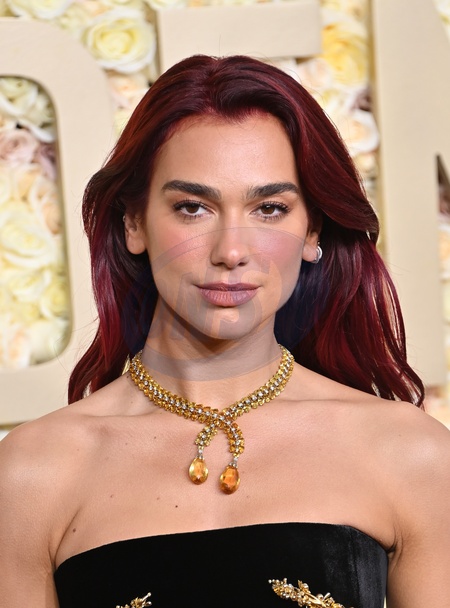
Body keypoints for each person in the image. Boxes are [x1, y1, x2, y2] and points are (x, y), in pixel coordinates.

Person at [0, 54, 449, 608]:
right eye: (193, 207)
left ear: (313, 230)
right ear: (133, 222)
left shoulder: (409, 454)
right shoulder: (33, 472)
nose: (231, 251)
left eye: (270, 209)